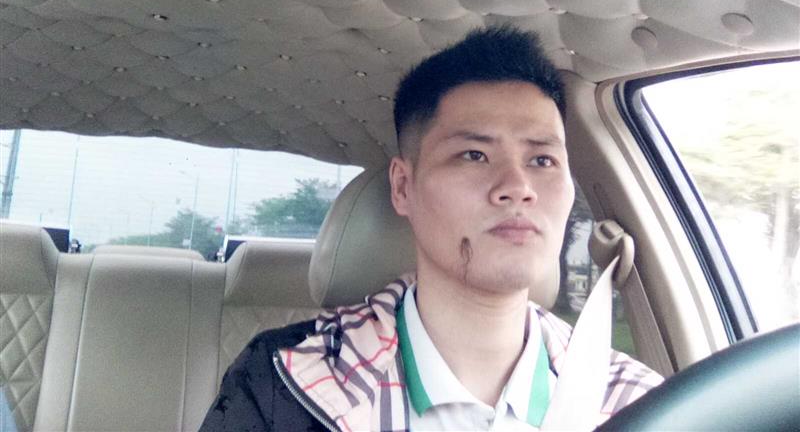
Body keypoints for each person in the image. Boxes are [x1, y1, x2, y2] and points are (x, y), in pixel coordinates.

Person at [200, 26, 663, 431]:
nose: (518, 187)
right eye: (475, 155)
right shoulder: (283, 385)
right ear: (404, 187)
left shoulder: (636, 403)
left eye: (542, 160)